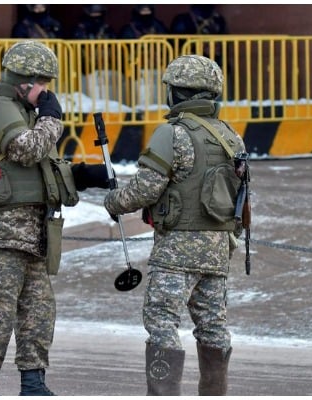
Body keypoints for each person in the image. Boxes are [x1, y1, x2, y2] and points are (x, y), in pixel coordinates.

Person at [0, 40, 109, 396]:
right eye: (43, 82)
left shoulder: (24, 113)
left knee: (39, 312)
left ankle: (33, 381)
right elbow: (26, 150)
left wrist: (83, 176)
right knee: (0, 311)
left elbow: (39, 171)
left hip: (32, 232)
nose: (48, 91)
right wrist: (51, 119)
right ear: (24, 81)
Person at [104, 54, 246, 396]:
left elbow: (146, 189)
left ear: (178, 93)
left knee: (162, 322)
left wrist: (114, 202)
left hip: (175, 251)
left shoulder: (171, 133)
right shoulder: (231, 137)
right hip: (217, 249)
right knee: (213, 327)